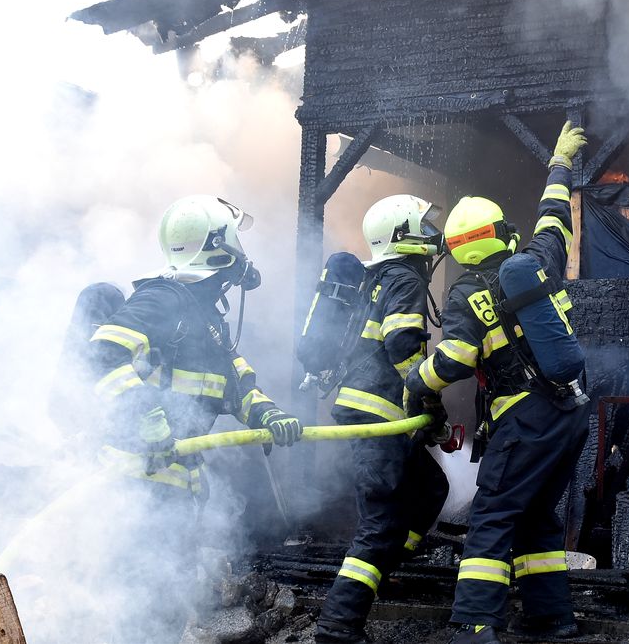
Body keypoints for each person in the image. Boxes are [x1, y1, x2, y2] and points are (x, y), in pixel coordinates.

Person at [404, 122, 590, 644]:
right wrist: (559, 164)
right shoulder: (536, 263)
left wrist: (416, 379)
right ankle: (551, 617)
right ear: (500, 232)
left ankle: (473, 625)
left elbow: (456, 360)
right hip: (570, 411)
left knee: (491, 515)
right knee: (535, 515)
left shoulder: (465, 293)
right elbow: (555, 219)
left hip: (525, 419)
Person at [88, 195, 302, 642]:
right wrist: (148, 419)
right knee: (138, 604)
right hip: (137, 481)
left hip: (175, 484)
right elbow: (103, 354)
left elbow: (236, 384)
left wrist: (269, 414)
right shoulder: (164, 298)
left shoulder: (206, 318)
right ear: (219, 245)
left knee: (165, 602)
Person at [314, 195, 451, 644]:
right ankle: (338, 625)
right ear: (401, 234)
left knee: (431, 487)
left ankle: (385, 567)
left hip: (373, 409)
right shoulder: (404, 277)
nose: (432, 235)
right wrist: (427, 396)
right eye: (423, 226)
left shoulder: (375, 279)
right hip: (379, 414)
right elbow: (402, 344)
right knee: (379, 522)